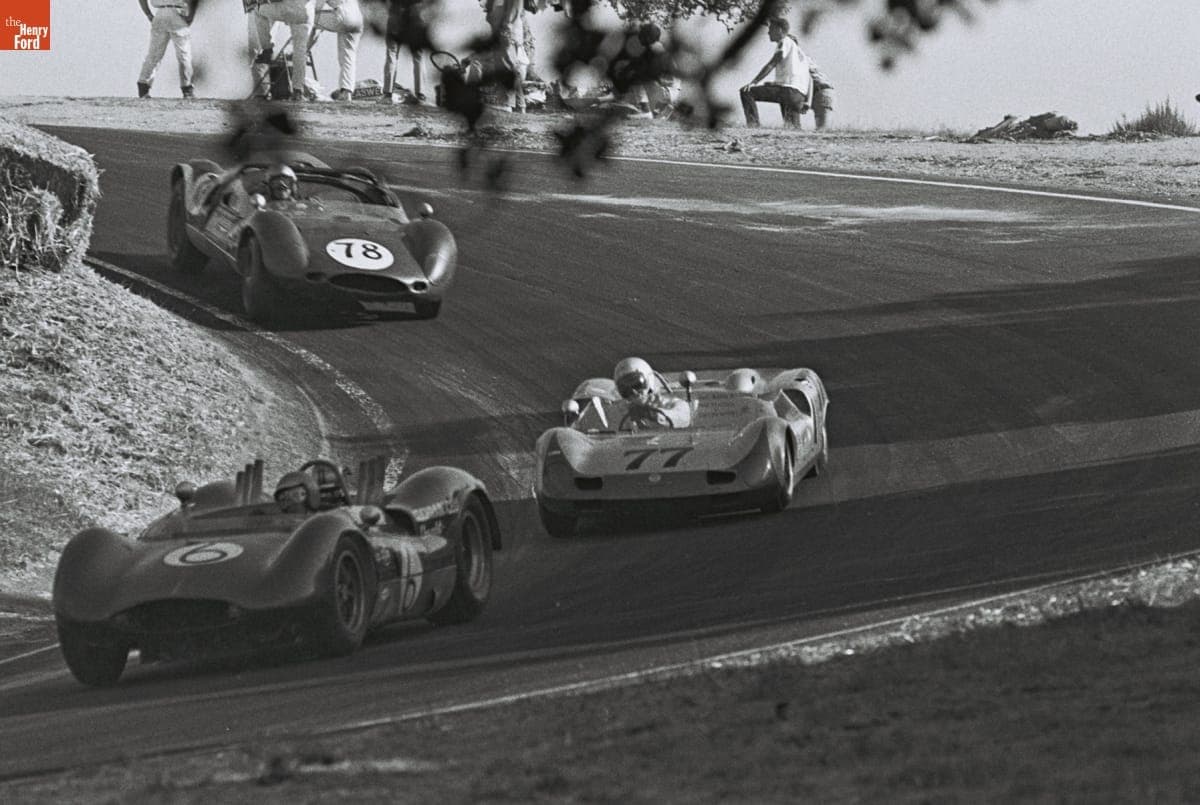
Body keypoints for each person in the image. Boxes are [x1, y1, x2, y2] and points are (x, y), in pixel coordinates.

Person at [739, 17, 812, 128]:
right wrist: (806, 100)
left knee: (746, 92)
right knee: (792, 128)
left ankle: (753, 125)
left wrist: (754, 82)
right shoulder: (800, 53)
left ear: (779, 29)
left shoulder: (784, 41)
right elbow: (806, 78)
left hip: (788, 92)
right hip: (799, 95)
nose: (768, 32)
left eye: (771, 29)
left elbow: (772, 64)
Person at [248, 0, 317, 101]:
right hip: (307, 14)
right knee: (300, 52)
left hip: (289, 9)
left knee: (257, 10)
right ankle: (298, 90)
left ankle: (267, 48)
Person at [136, 0, 195, 99]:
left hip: (160, 12)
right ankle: (187, 89)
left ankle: (143, 86)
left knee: (154, 54)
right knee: (184, 54)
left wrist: (148, 14)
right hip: (178, 12)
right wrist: (191, 15)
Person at [312, 0, 363, 101]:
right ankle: (346, 92)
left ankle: (300, 52)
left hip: (342, 15)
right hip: (357, 19)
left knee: (307, 17)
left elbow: (317, 6)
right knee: (348, 57)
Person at [381, 0, 426, 105]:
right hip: (416, 17)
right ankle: (421, 94)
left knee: (391, 54)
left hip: (396, 17)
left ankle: (388, 94)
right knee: (418, 57)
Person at [487, 0, 529, 113]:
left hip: (507, 33)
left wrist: (506, 28)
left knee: (506, 67)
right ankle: (520, 105)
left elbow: (514, 8)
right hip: (507, 32)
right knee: (511, 67)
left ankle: (507, 104)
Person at [808, 58, 835, 130]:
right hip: (825, 93)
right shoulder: (817, 72)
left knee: (822, 129)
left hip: (821, 93)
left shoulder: (805, 67)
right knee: (821, 127)